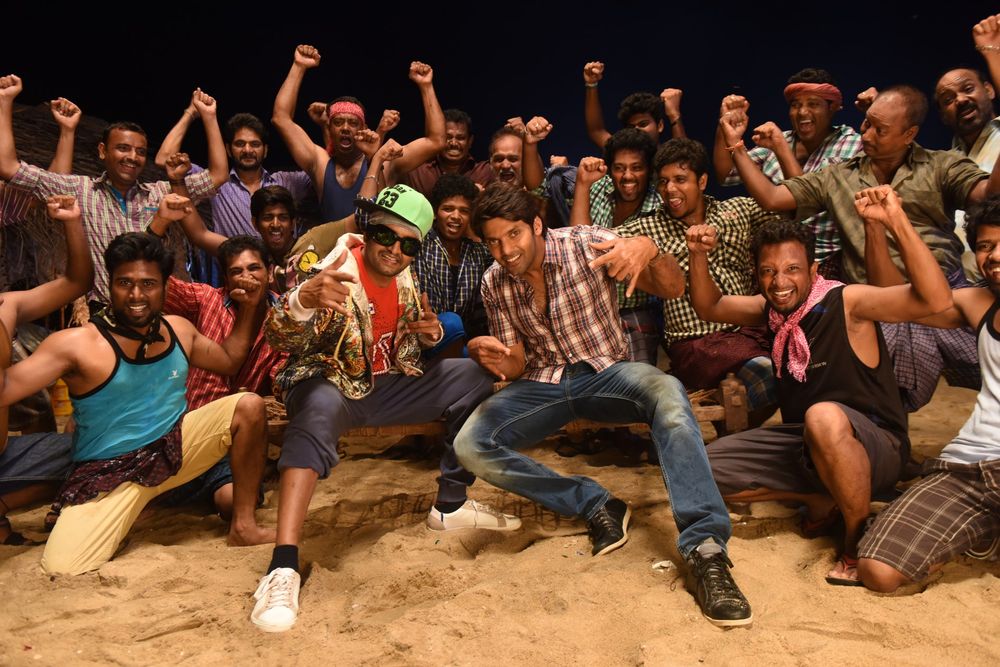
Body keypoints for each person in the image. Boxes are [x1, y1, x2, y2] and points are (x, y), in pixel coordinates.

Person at [453, 183, 753, 628]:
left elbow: (673, 288)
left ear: (536, 225)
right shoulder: (494, 281)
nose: (506, 250)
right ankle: (594, 503)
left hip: (609, 374)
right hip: (544, 383)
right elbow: (515, 364)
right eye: (494, 242)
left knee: (668, 394)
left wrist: (649, 249)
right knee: (470, 444)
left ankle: (706, 548)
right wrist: (491, 356)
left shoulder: (585, 244)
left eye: (514, 234)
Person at [252, 184, 518, 633]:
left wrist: (432, 334)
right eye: (385, 235)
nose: (395, 249)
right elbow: (278, 336)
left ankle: (450, 505)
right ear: (368, 230)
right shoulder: (334, 267)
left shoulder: (405, 278)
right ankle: (283, 566)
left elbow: (403, 344)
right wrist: (301, 301)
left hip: (385, 386)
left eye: (408, 244)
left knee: (474, 375)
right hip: (330, 386)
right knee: (315, 408)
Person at [689, 187, 952, 586]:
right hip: (807, 444)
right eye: (768, 271)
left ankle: (856, 538)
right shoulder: (772, 311)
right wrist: (697, 255)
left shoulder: (849, 302)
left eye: (792, 269)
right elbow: (709, 306)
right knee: (699, 465)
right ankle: (821, 495)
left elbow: (935, 300)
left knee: (823, 416)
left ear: (813, 271)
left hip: (877, 444)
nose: (780, 281)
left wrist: (895, 220)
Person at [0, 211, 275, 575]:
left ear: (165, 287)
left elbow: (229, 359)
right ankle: (123, 507)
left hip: (175, 448)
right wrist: (4, 321)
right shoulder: (75, 345)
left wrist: (249, 308)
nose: (136, 295)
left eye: (148, 284)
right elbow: (6, 390)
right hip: (110, 473)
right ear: (110, 284)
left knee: (248, 407)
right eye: (124, 283)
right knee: (62, 567)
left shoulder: (178, 330)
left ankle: (243, 526)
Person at [857, 194, 1000, 592]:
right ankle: (984, 527)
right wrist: (889, 222)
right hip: (968, 468)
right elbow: (901, 298)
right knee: (879, 571)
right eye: (985, 245)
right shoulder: (979, 303)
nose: (994, 256)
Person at [721, 84, 999, 284]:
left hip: (940, 287)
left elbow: (990, 195)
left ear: (909, 134)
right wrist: (736, 145)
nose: (867, 136)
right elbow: (771, 197)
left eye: (880, 131)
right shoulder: (838, 175)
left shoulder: (942, 166)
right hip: (871, 297)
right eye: (867, 124)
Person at [0, 76, 228, 305]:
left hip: (153, 311)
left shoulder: (160, 192)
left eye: (140, 152)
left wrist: (208, 116)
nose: (132, 157)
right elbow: (9, 167)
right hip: (104, 310)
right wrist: (5, 101)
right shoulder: (81, 190)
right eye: (123, 148)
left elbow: (217, 176)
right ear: (102, 151)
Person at [616, 138, 780, 410]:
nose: (670, 189)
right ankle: (726, 399)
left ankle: (728, 406)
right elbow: (593, 242)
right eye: (663, 181)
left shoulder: (737, 211)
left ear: (702, 182)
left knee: (786, 373)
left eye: (680, 179)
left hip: (748, 332)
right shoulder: (647, 228)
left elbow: (787, 208)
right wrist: (640, 245)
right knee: (766, 373)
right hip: (695, 343)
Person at [147, 229, 288, 518]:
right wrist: (158, 227)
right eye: (236, 271)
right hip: (184, 431)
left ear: (270, 272)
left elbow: (283, 378)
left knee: (232, 503)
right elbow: (153, 279)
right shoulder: (204, 299)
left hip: (231, 443)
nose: (246, 277)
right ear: (226, 279)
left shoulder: (285, 318)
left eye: (254, 268)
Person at [0, 195, 91, 544]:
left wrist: (72, 222)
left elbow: (77, 283)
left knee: (97, 450)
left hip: (9, 459)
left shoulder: (6, 307)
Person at [713, 68, 863, 275]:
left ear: (833, 107)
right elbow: (726, 174)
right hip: (772, 255)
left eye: (813, 104)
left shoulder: (851, 145)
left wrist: (781, 149)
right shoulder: (780, 138)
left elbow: (806, 204)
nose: (802, 112)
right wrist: (725, 126)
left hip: (823, 260)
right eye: (795, 105)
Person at [271, 44, 445, 222]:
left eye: (353, 123)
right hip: (333, 241)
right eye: (338, 122)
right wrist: (299, 66)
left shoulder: (386, 162)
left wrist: (426, 86)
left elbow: (436, 141)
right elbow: (281, 118)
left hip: (376, 241)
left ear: (363, 129)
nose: (345, 128)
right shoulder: (320, 164)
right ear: (329, 128)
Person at [570, 128, 663, 363]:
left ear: (649, 170)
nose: (627, 176)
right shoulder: (600, 188)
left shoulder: (659, 206)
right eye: (619, 168)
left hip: (635, 310)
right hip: (590, 308)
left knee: (637, 378)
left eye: (636, 167)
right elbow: (577, 241)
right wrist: (582, 184)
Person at [155, 104, 315, 240]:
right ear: (228, 150)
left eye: (255, 144)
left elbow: (323, 170)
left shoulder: (286, 181)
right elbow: (164, 160)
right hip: (234, 264)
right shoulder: (217, 183)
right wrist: (190, 113)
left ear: (265, 150)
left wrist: (324, 127)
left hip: (287, 264)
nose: (247, 150)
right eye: (240, 144)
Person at [412, 173, 493, 355]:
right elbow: (364, 218)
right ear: (435, 213)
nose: (456, 216)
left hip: (465, 341)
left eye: (464, 211)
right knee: (452, 321)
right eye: (448, 209)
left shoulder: (478, 252)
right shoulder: (418, 244)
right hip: (424, 339)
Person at [582, 61, 685, 148]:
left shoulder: (667, 159)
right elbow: (597, 131)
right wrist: (591, 84)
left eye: (643, 124)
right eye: (631, 127)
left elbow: (684, 157)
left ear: (660, 126)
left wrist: (674, 114)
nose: (637, 130)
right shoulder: (620, 153)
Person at [404, 109, 494, 195]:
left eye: (460, 138)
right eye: (448, 137)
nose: (453, 143)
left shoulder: (485, 172)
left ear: (470, 141)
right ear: (438, 139)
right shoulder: (416, 170)